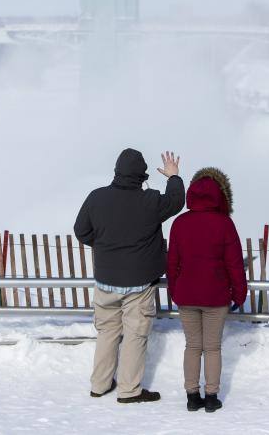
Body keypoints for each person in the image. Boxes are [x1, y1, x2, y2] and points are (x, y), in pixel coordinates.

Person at [74, 148, 185, 404]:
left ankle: (99, 385)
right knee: (135, 334)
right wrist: (173, 176)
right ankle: (129, 390)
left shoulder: (96, 198)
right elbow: (177, 201)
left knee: (107, 332)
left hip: (105, 280)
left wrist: (104, 246)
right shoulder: (150, 201)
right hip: (139, 283)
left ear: (116, 172)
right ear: (141, 176)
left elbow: (81, 231)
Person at [166, 167, 247, 413]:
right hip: (216, 297)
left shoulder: (179, 223)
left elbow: (172, 262)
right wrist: (239, 293)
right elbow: (234, 263)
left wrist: (174, 290)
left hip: (187, 295)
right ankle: (211, 397)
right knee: (212, 347)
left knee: (192, 346)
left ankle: (192, 396)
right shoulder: (224, 223)